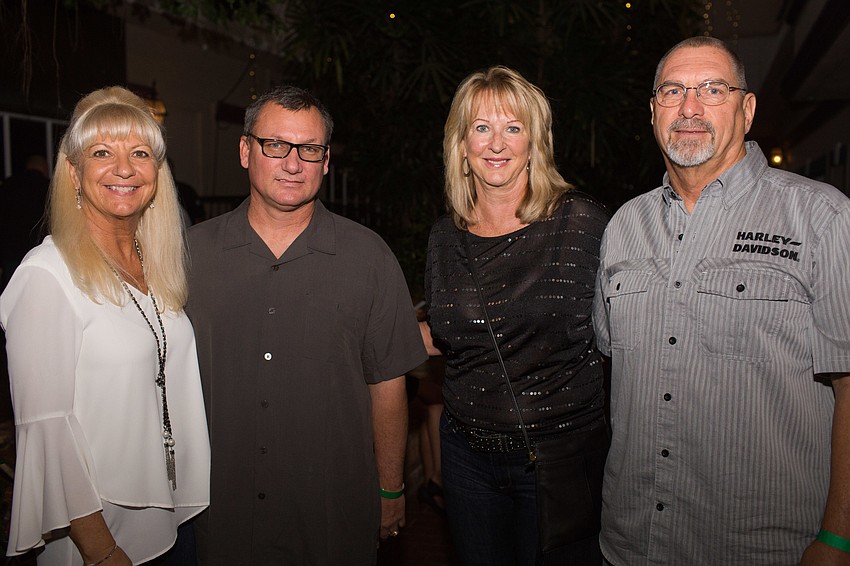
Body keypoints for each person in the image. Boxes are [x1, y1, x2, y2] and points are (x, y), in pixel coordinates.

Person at [593, 36, 850, 565]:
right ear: (653, 111)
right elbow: (609, 362)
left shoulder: (822, 219)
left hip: (765, 549)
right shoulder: (623, 226)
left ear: (747, 109)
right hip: (632, 543)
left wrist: (838, 538)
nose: (690, 107)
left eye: (712, 89)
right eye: (672, 91)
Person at [185, 85, 427, 565]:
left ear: (327, 160)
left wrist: (390, 489)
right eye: (275, 145)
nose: (293, 163)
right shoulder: (190, 256)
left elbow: (388, 385)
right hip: (219, 517)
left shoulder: (369, 257)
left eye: (310, 149)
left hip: (332, 518)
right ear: (245, 150)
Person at [0, 86, 210, 565]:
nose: (123, 168)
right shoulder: (46, 274)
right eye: (102, 152)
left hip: (171, 524)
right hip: (102, 540)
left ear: (157, 173)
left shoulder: (155, 264)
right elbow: (48, 433)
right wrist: (101, 551)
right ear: (73, 172)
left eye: (139, 153)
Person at [420, 65, 610, 566]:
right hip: (466, 459)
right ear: (461, 145)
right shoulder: (445, 237)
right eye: (481, 127)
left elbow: (623, 331)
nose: (496, 143)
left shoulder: (581, 223)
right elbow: (445, 333)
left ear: (535, 141)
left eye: (513, 126)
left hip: (558, 464)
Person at [0, 154, 50, 291]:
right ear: (44, 168)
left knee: (13, 293)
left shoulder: (8, 185)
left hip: (11, 251)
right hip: (37, 249)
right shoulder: (47, 187)